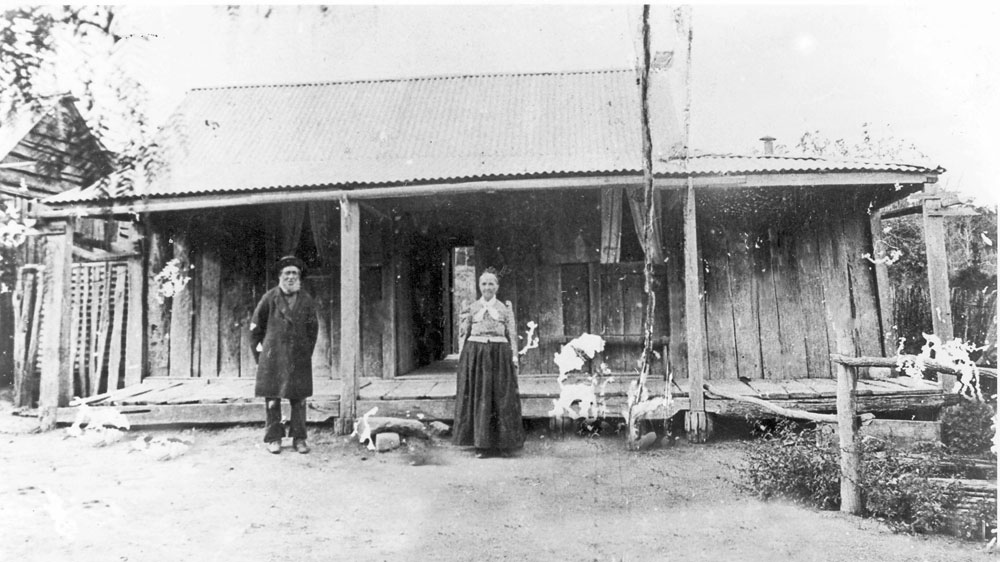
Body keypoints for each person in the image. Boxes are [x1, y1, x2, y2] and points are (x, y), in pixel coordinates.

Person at [250, 255, 319, 455]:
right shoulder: (269, 298)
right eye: (287, 273)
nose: (291, 277)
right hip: (273, 358)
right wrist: (261, 359)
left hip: (298, 357)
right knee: (272, 399)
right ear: (280, 276)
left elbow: (313, 330)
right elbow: (255, 330)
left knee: (299, 400)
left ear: (300, 278)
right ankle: (274, 438)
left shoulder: (306, 300)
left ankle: (299, 439)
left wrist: (305, 353)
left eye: (294, 274)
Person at [453, 268, 525, 458]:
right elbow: (463, 333)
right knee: (480, 397)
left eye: (491, 284)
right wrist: (463, 358)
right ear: (479, 286)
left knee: (501, 397)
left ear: (497, 287)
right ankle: (481, 446)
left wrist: (515, 357)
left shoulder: (504, 308)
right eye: (484, 284)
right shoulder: (472, 307)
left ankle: (504, 445)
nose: (487, 287)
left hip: (499, 355)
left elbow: (511, 334)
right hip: (476, 354)